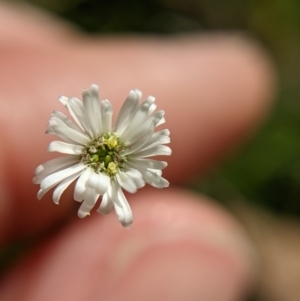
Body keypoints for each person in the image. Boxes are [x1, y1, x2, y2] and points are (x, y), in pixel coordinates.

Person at [0, 1, 275, 300]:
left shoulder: (124, 162)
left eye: (107, 154)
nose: (104, 156)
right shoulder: (93, 163)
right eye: (102, 153)